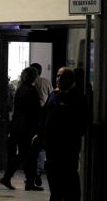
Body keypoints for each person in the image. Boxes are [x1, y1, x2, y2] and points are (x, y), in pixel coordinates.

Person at [38, 67, 88, 201]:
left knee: (69, 176)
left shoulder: (78, 97)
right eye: (57, 76)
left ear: (71, 79)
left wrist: (70, 137)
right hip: (51, 146)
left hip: (68, 147)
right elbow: (45, 116)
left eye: (62, 77)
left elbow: (82, 123)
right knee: (53, 176)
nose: (58, 79)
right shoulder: (54, 94)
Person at [0, 67, 44, 191]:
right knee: (29, 154)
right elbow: (34, 111)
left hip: (18, 127)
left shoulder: (21, 89)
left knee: (25, 154)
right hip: (28, 128)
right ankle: (14, 178)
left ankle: (23, 181)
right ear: (34, 77)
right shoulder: (31, 91)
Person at [30, 62, 53, 186]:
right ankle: (38, 170)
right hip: (43, 117)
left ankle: (31, 172)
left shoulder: (27, 84)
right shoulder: (46, 82)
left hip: (30, 117)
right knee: (41, 146)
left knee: (31, 145)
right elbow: (51, 96)